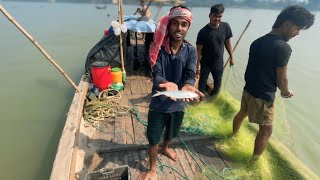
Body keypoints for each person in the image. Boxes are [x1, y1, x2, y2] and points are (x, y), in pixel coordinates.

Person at [232, 5, 314, 161]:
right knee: (266, 130)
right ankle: (254, 161)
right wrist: (285, 92)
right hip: (263, 96)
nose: (297, 33)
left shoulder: (257, 42)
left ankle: (234, 136)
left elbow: (252, 69)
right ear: (286, 24)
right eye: (297, 28)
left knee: (242, 113)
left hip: (248, 90)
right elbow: (282, 79)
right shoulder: (283, 48)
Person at [138, 5, 204, 180]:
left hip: (178, 104)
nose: (179, 28)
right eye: (175, 23)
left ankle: (166, 147)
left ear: (188, 27)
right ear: (168, 24)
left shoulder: (190, 51)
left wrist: (189, 86)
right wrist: (166, 84)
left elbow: (191, 74)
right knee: (153, 137)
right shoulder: (157, 49)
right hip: (159, 104)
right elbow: (156, 73)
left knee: (172, 132)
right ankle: (152, 168)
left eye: (184, 24)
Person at [196, 4, 234, 96]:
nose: (217, 19)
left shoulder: (226, 27)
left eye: (219, 16)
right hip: (205, 63)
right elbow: (198, 51)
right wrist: (197, 66)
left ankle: (213, 99)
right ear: (210, 15)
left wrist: (232, 56)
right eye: (215, 16)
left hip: (218, 62)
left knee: (218, 84)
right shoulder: (203, 32)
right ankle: (200, 99)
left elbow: (227, 42)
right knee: (202, 83)